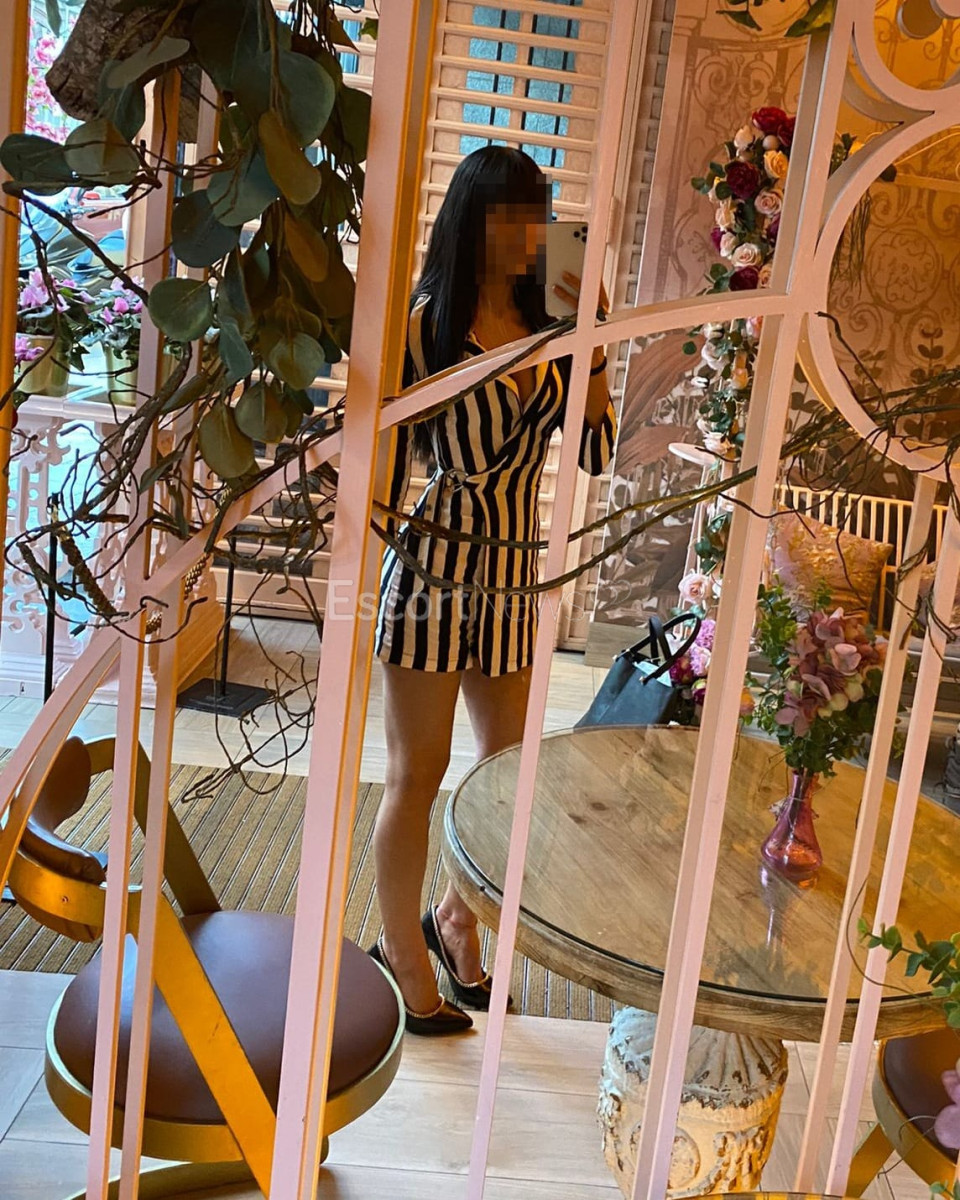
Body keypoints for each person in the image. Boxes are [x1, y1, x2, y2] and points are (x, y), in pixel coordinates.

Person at [370, 146, 617, 1035]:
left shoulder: (552, 317)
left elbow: (595, 452)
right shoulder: (427, 324)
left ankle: (456, 919)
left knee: (505, 778)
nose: (529, 233)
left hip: (514, 571)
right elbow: (385, 458)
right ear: (475, 221)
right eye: (513, 215)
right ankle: (404, 958)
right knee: (417, 774)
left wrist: (591, 338)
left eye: (538, 215)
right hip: (434, 569)